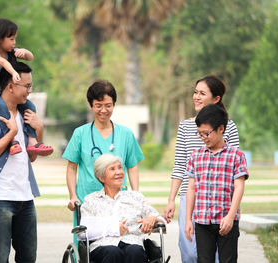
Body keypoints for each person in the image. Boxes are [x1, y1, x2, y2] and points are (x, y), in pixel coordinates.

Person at [163, 75, 239, 263]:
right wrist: (171, 199)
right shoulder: (185, 126)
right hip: (191, 196)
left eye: (202, 93)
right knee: (189, 252)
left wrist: (232, 211)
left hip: (220, 198)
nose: (196, 97)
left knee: (213, 254)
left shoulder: (228, 127)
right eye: (195, 92)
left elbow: (235, 169)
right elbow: (180, 164)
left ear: (216, 99)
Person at [0, 61, 43, 263]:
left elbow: (32, 156)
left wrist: (39, 129)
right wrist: (11, 133)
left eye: (31, 86)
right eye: (27, 86)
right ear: (11, 85)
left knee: (28, 258)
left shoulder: (26, 114)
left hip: (26, 198)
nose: (29, 91)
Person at [0, 18, 53, 156]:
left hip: (0, 93)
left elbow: (30, 57)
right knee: (1, 106)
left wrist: (24, 52)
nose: (14, 42)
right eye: (11, 39)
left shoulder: (12, 52)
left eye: (15, 39)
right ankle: (12, 140)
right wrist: (14, 72)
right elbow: (3, 62)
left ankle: (32, 141)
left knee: (30, 107)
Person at [63, 80, 144, 216]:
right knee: (88, 237)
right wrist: (73, 196)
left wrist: (135, 195)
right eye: (98, 106)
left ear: (114, 105)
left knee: (120, 235)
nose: (103, 110)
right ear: (90, 105)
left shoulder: (126, 134)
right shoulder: (80, 134)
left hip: (119, 203)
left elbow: (132, 166)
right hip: (87, 203)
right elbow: (71, 168)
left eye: (108, 105)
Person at [185, 104, 249, 263]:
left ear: (221, 128)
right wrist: (188, 219)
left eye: (206, 133)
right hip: (202, 221)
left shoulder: (236, 156)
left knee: (228, 260)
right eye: (199, 134)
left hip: (226, 221)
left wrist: (231, 216)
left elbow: (239, 187)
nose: (203, 137)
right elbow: (191, 188)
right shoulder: (195, 156)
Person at [80, 153, 165, 263]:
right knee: (113, 252)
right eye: (112, 169)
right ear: (101, 177)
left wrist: (153, 219)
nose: (119, 172)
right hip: (103, 246)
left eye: (120, 168)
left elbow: (162, 224)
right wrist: (113, 229)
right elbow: (83, 232)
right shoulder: (91, 200)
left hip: (132, 242)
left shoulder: (135, 197)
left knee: (134, 251)